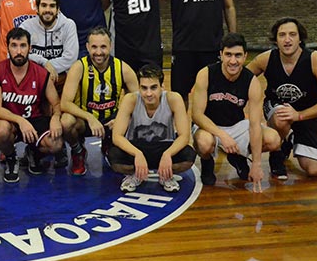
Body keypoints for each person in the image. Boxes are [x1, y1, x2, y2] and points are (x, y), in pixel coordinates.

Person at [247, 17, 317, 179]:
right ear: (275, 40)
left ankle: (290, 138)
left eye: (292, 34)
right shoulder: (265, 59)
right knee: (282, 116)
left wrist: (300, 115)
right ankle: (277, 155)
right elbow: (241, 80)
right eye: (282, 35)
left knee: (314, 170)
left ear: (300, 38)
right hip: (276, 108)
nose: (287, 39)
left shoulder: (315, 59)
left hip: (306, 113)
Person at [190, 33, 280, 191]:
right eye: (228, 55)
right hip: (209, 125)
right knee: (204, 143)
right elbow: (197, 115)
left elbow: (255, 124)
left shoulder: (251, 81)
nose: (233, 61)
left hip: (236, 125)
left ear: (245, 56)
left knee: (273, 139)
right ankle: (207, 162)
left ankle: (238, 156)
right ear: (221, 55)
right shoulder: (206, 74)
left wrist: (257, 165)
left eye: (238, 55)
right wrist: (222, 136)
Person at [165, 0, 237, 105]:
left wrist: (233, 38)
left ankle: (208, 127)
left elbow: (229, 6)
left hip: (211, 46)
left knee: (213, 91)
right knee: (180, 93)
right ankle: (183, 128)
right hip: (183, 46)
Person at [60, 26, 139, 176]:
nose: (99, 52)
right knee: (66, 121)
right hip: (85, 119)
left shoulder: (123, 69)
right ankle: (78, 151)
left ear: (111, 46)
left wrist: (122, 119)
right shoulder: (79, 67)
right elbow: (65, 103)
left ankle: (110, 143)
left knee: (122, 164)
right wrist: (90, 118)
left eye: (103, 47)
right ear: (87, 47)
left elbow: (138, 102)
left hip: (111, 121)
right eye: (94, 47)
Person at [0, 27, 63, 183]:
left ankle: (34, 153)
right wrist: (21, 121)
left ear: (30, 48)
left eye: (23, 46)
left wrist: (56, 117)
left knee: (56, 144)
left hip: (34, 119)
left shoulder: (42, 74)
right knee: (1, 130)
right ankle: (11, 158)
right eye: (14, 45)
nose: (18, 51)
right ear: (7, 47)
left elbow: (56, 103)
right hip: (9, 121)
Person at [109, 64, 196, 193]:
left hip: (163, 146)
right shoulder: (130, 99)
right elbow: (117, 136)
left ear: (162, 87)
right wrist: (137, 154)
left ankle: (166, 175)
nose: (148, 93)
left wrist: (168, 154)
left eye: (153, 88)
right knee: (113, 155)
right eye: (144, 88)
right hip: (137, 147)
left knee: (188, 155)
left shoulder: (173, 99)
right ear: (139, 88)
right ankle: (135, 175)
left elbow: (184, 136)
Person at [19, 0, 79, 90]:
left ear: (58, 9)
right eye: (43, 5)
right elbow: (16, 54)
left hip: (60, 78)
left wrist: (47, 67)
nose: (48, 10)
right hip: (33, 79)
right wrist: (44, 63)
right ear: (37, 8)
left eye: (52, 6)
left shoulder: (68, 25)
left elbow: (70, 58)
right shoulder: (26, 27)